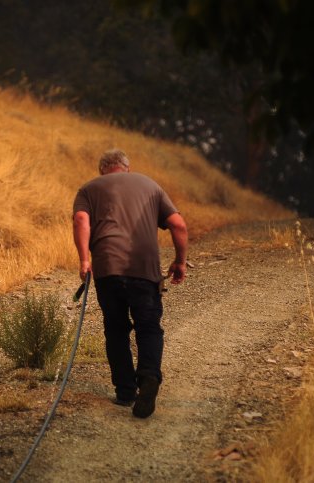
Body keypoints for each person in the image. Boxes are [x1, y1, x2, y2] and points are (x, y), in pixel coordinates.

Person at [72, 149, 188, 418]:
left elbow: (81, 220)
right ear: (127, 167)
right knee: (148, 328)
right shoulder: (150, 185)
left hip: (107, 269)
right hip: (144, 270)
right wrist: (180, 261)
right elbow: (179, 225)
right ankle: (148, 377)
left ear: (103, 169)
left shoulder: (89, 189)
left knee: (116, 329)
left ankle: (125, 392)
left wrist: (84, 260)